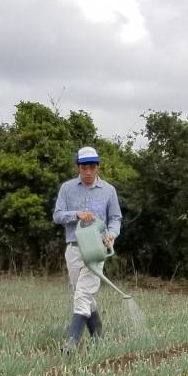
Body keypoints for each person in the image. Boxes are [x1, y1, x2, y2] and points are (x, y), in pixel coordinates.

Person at [53, 145, 122, 348]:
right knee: (81, 293)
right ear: (78, 168)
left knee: (83, 293)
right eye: (84, 167)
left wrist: (111, 235)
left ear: (98, 167)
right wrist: (76, 214)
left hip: (96, 249)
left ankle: (72, 342)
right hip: (74, 247)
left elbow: (116, 218)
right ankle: (98, 336)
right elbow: (57, 216)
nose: (88, 171)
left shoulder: (109, 190)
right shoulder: (67, 188)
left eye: (92, 167)